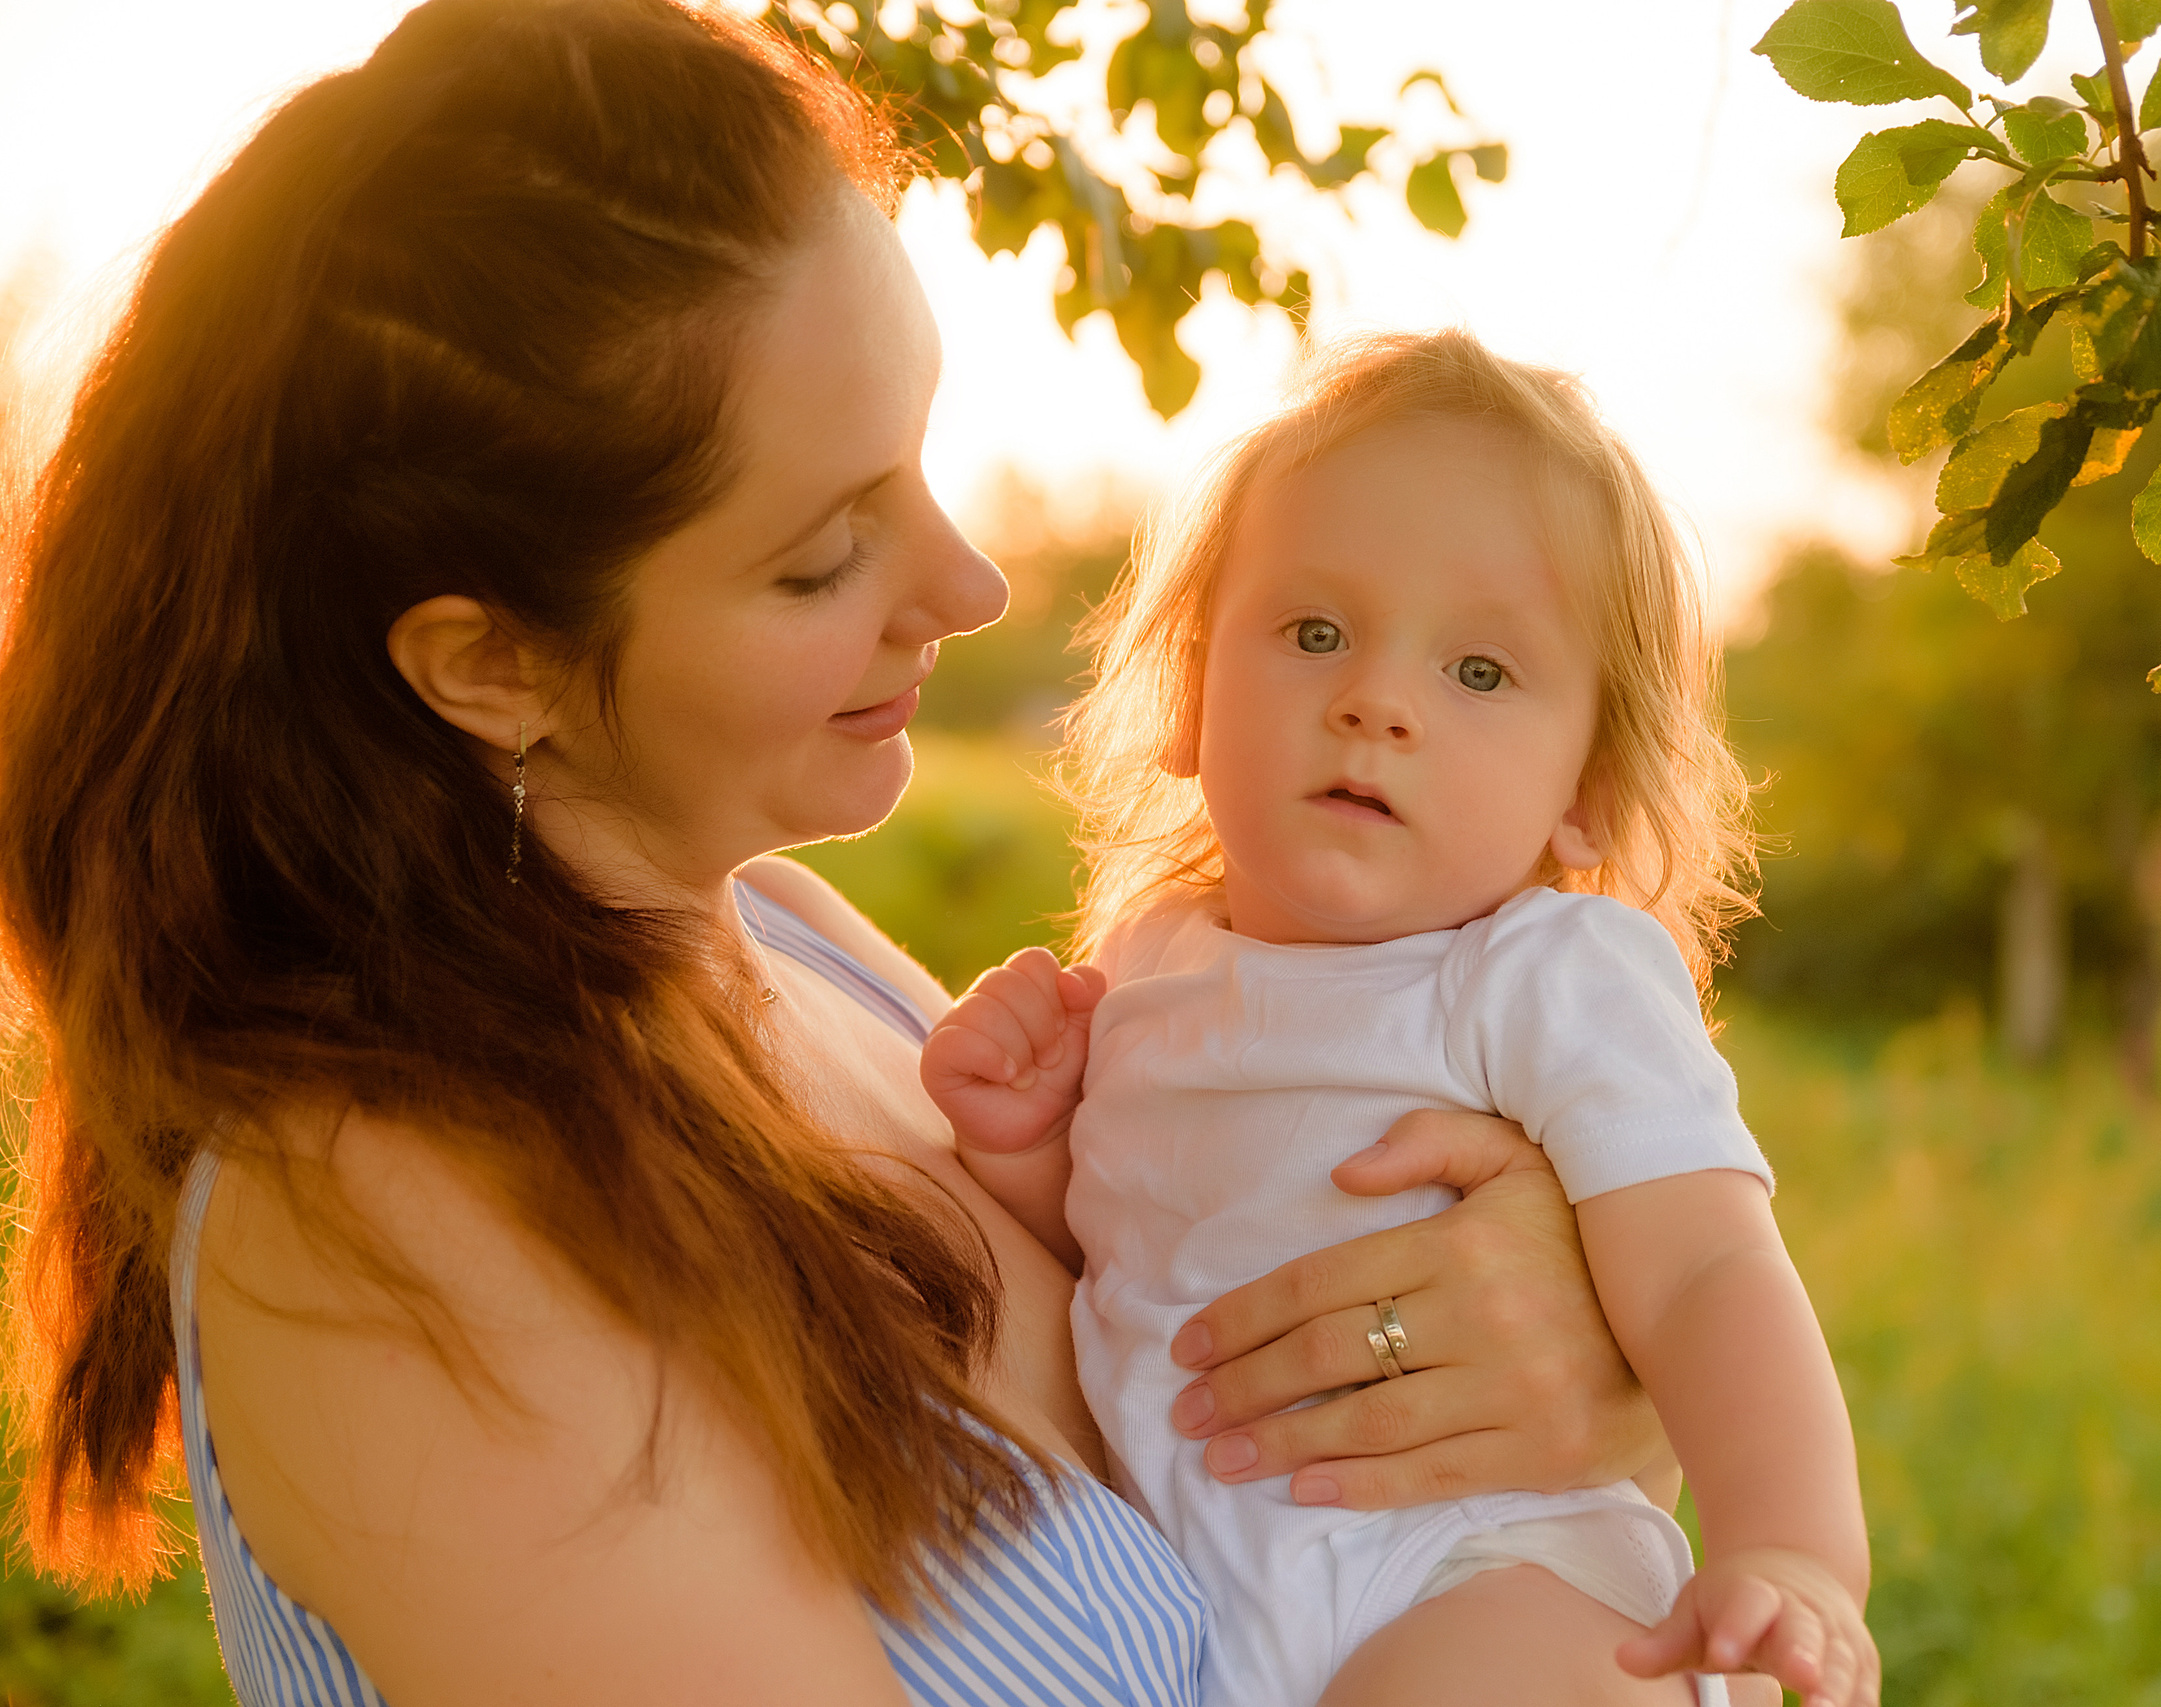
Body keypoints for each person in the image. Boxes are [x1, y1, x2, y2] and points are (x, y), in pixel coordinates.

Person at [0, 7, 1692, 1703]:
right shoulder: (390, 1227)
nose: (973, 586)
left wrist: (1606, 1339)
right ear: (495, 662)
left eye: (920, 460)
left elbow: (1269, 1407)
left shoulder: (799, 951)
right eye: (822, 558)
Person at [921, 331, 1882, 1707]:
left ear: (1587, 794)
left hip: (1490, 1577)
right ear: (1193, 691)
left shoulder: (1545, 974)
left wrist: (1792, 1550)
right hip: (1221, 1603)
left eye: (1478, 671)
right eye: (1315, 635)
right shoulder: (1148, 966)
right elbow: (1138, 1257)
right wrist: (1027, 1150)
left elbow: (1703, 1272)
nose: (1373, 702)